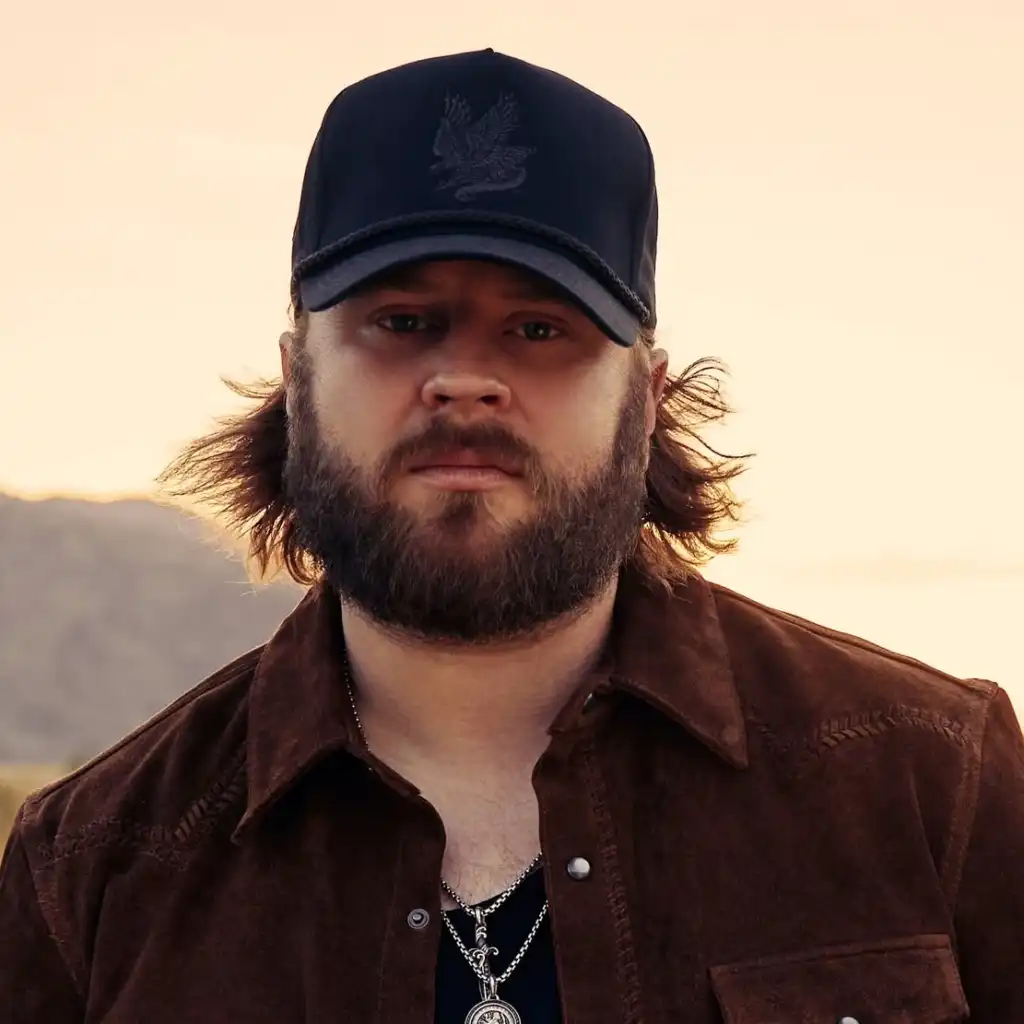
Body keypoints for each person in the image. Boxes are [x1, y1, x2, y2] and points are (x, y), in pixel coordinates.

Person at [1, 48, 1020, 1024]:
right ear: (297, 376)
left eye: (539, 329)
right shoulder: (88, 869)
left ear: (647, 396)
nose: (463, 381)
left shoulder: (934, 782)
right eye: (402, 321)